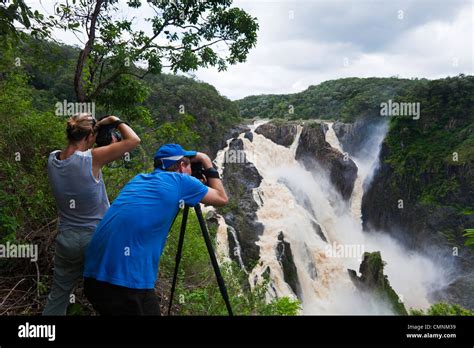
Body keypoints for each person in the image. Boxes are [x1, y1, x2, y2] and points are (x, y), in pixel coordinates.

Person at [83, 143, 228, 315]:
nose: (192, 169)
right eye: (189, 164)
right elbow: (221, 198)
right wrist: (205, 160)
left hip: (93, 276)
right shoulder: (183, 182)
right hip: (126, 282)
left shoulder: (138, 179)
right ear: (182, 166)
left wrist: (193, 184)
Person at [43, 113, 140, 315]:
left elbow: (76, 157)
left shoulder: (53, 159)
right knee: (112, 294)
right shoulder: (92, 159)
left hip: (67, 238)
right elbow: (134, 140)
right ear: (89, 137)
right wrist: (115, 120)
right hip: (97, 239)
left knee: (58, 294)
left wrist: (95, 131)